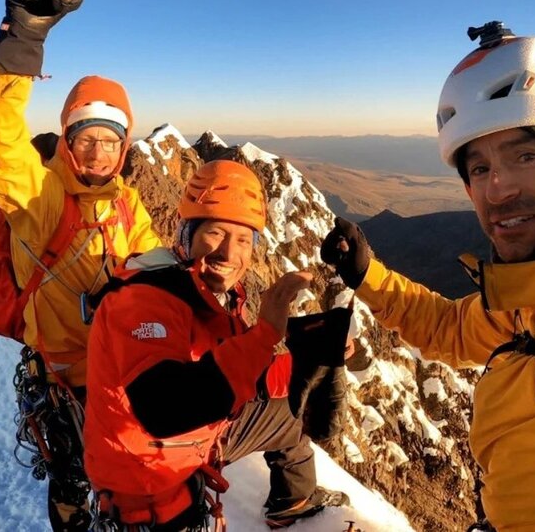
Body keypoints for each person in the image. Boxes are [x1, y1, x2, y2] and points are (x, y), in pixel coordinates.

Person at [321, 22, 535, 531]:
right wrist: (368, 276)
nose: (497, 190)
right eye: (478, 168)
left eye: (526, 155)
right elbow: (453, 329)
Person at [0, 0, 162, 531]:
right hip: (64, 380)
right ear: (68, 141)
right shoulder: (42, 198)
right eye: (86, 138)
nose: (99, 152)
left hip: (119, 373)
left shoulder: (129, 205)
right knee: (74, 486)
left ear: (124, 147)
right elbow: (0, 146)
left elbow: (160, 270)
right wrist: (21, 48)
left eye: (110, 140)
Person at [84, 159, 349, 530]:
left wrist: (306, 362)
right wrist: (264, 334)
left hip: (184, 451)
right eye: (215, 233)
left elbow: (234, 371)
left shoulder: (207, 293)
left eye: (243, 239)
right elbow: (163, 408)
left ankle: (294, 502)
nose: (228, 253)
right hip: (146, 478)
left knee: (290, 417)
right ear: (186, 232)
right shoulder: (144, 299)